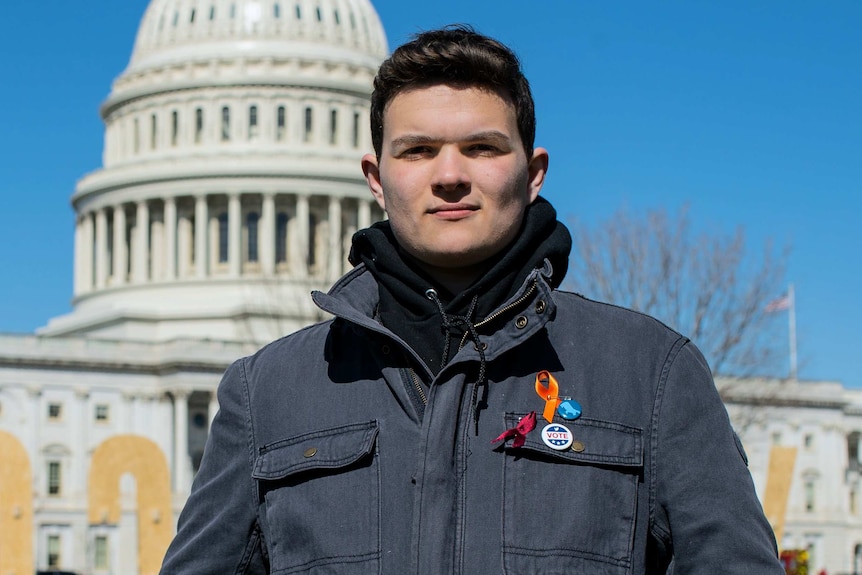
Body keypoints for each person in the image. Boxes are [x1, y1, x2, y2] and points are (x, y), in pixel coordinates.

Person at [159, 25, 784, 574]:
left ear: (533, 172)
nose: (450, 173)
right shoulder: (268, 391)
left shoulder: (651, 372)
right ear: (377, 179)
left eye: (481, 147)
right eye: (418, 150)